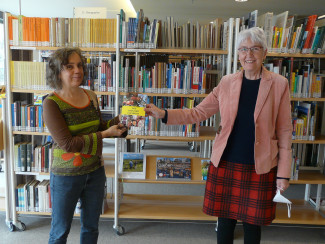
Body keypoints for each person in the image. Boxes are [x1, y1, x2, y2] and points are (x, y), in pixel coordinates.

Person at [144, 27, 292, 244]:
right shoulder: (227, 82)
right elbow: (198, 112)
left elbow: (285, 130)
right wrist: (163, 113)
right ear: (238, 54)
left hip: (260, 166)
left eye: (254, 49)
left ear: (265, 52)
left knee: (252, 225)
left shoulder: (279, 84)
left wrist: (283, 173)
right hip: (226, 162)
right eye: (243, 49)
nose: (248, 55)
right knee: (225, 223)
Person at [43, 47, 127, 244]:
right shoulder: (51, 103)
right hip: (66, 176)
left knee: (91, 228)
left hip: (95, 172)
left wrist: (124, 118)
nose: (77, 70)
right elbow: (68, 144)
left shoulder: (91, 96)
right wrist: (105, 134)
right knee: (60, 231)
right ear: (57, 71)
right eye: (69, 66)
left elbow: (99, 128)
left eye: (79, 65)